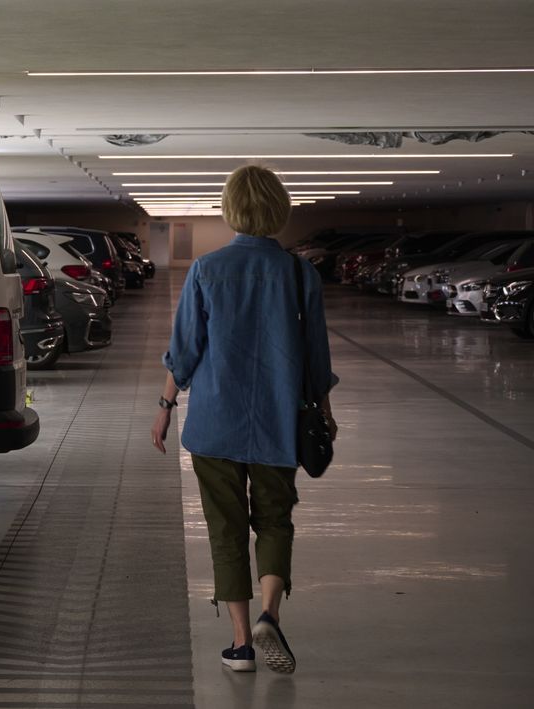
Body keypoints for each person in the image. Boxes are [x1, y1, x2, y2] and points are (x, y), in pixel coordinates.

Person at [150, 164, 338, 675]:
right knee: (276, 520)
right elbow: (316, 358)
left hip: (215, 424)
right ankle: (269, 615)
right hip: (281, 421)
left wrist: (165, 407)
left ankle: (240, 645)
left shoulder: (206, 271)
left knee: (225, 529)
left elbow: (184, 352)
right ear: (279, 208)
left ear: (230, 209)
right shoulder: (301, 274)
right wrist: (324, 411)